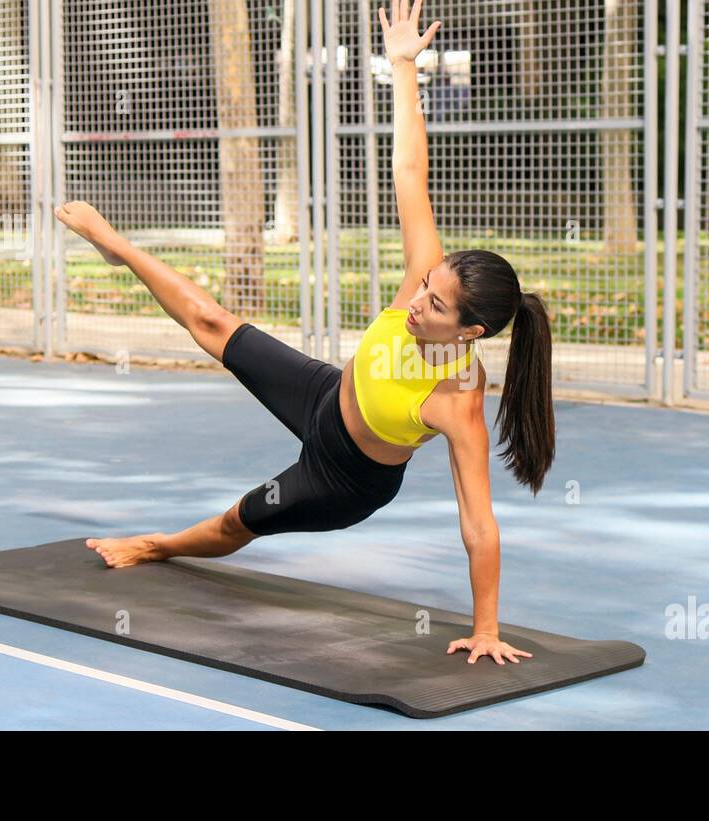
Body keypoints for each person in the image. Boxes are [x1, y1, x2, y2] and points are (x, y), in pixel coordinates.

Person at [52, 0, 553, 665]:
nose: (415, 303)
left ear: (472, 331)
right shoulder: (428, 279)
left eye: (434, 306)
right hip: (325, 393)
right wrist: (404, 64)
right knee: (214, 323)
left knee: (239, 521)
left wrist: (486, 627)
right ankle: (119, 244)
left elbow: (478, 523)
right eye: (424, 288)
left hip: (343, 475)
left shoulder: (458, 397)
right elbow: (410, 170)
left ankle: (157, 544)